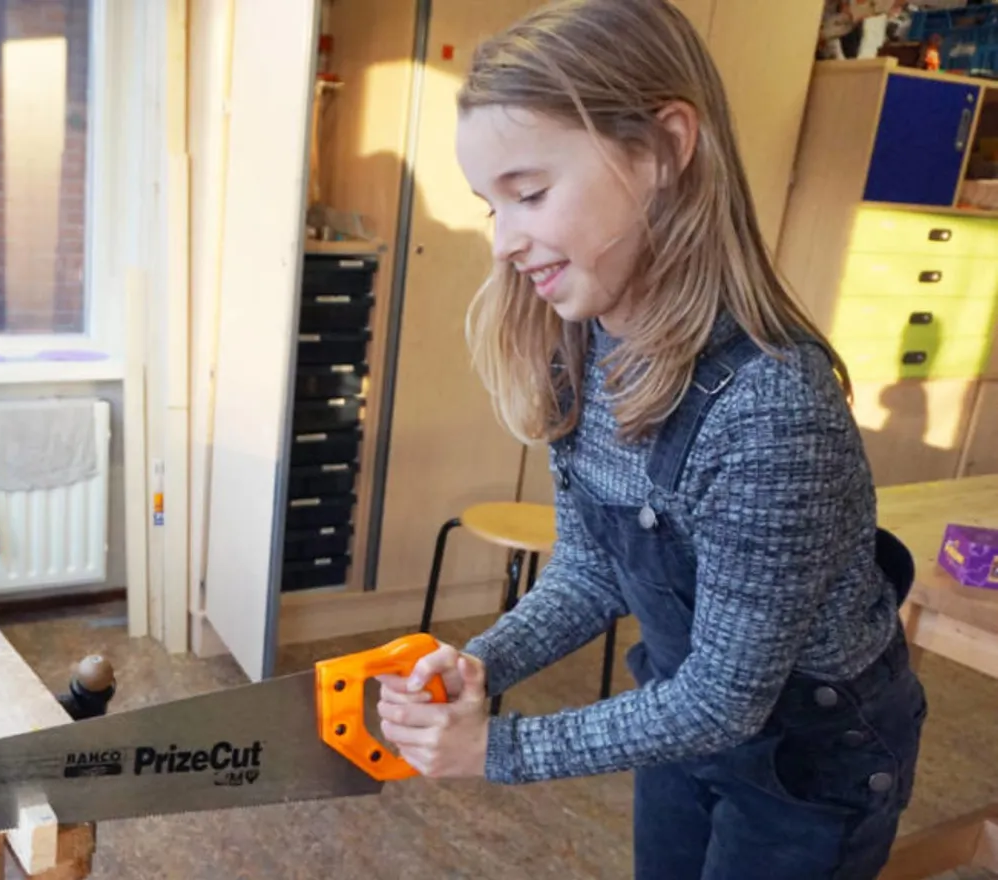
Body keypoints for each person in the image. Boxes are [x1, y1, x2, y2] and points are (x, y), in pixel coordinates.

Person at [374, 2, 927, 878]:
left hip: (810, 760)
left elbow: (725, 699)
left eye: (530, 193)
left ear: (666, 148)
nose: (505, 242)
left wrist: (496, 749)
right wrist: (482, 664)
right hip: (680, 720)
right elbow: (592, 569)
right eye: (491, 207)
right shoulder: (583, 346)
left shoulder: (771, 410)